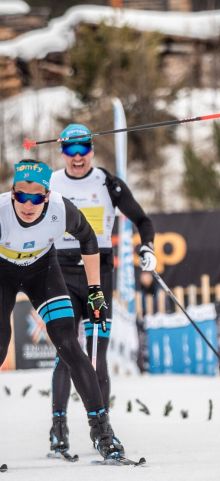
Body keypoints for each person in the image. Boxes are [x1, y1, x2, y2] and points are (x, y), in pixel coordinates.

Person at [0, 160, 126, 460]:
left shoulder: (61, 208)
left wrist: (95, 290)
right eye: (21, 196)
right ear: (12, 193)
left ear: (47, 195)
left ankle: (102, 431)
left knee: (69, 345)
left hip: (42, 270)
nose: (28, 204)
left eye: (36, 197)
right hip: (2, 272)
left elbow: (89, 239)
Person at [48, 123, 156, 457]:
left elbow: (143, 220)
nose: (77, 158)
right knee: (66, 352)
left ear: (92, 150)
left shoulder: (106, 183)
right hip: (62, 272)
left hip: (98, 275)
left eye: (83, 150)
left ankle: (102, 428)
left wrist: (147, 248)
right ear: (62, 151)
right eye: (70, 150)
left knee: (97, 355)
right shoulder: (50, 182)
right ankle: (59, 426)